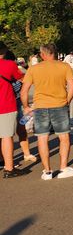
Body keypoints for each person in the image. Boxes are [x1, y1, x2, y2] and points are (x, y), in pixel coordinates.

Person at [20, 43, 73, 180]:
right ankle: (63, 168)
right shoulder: (64, 66)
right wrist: (67, 101)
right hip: (60, 105)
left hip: (40, 106)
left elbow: (24, 91)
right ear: (55, 53)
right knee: (64, 137)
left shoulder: (34, 69)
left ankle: (47, 171)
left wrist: (26, 107)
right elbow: (72, 88)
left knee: (42, 138)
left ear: (42, 54)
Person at [0, 44, 27, 178]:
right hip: (5, 105)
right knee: (6, 137)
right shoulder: (9, 65)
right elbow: (23, 78)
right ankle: (9, 168)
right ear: (4, 52)